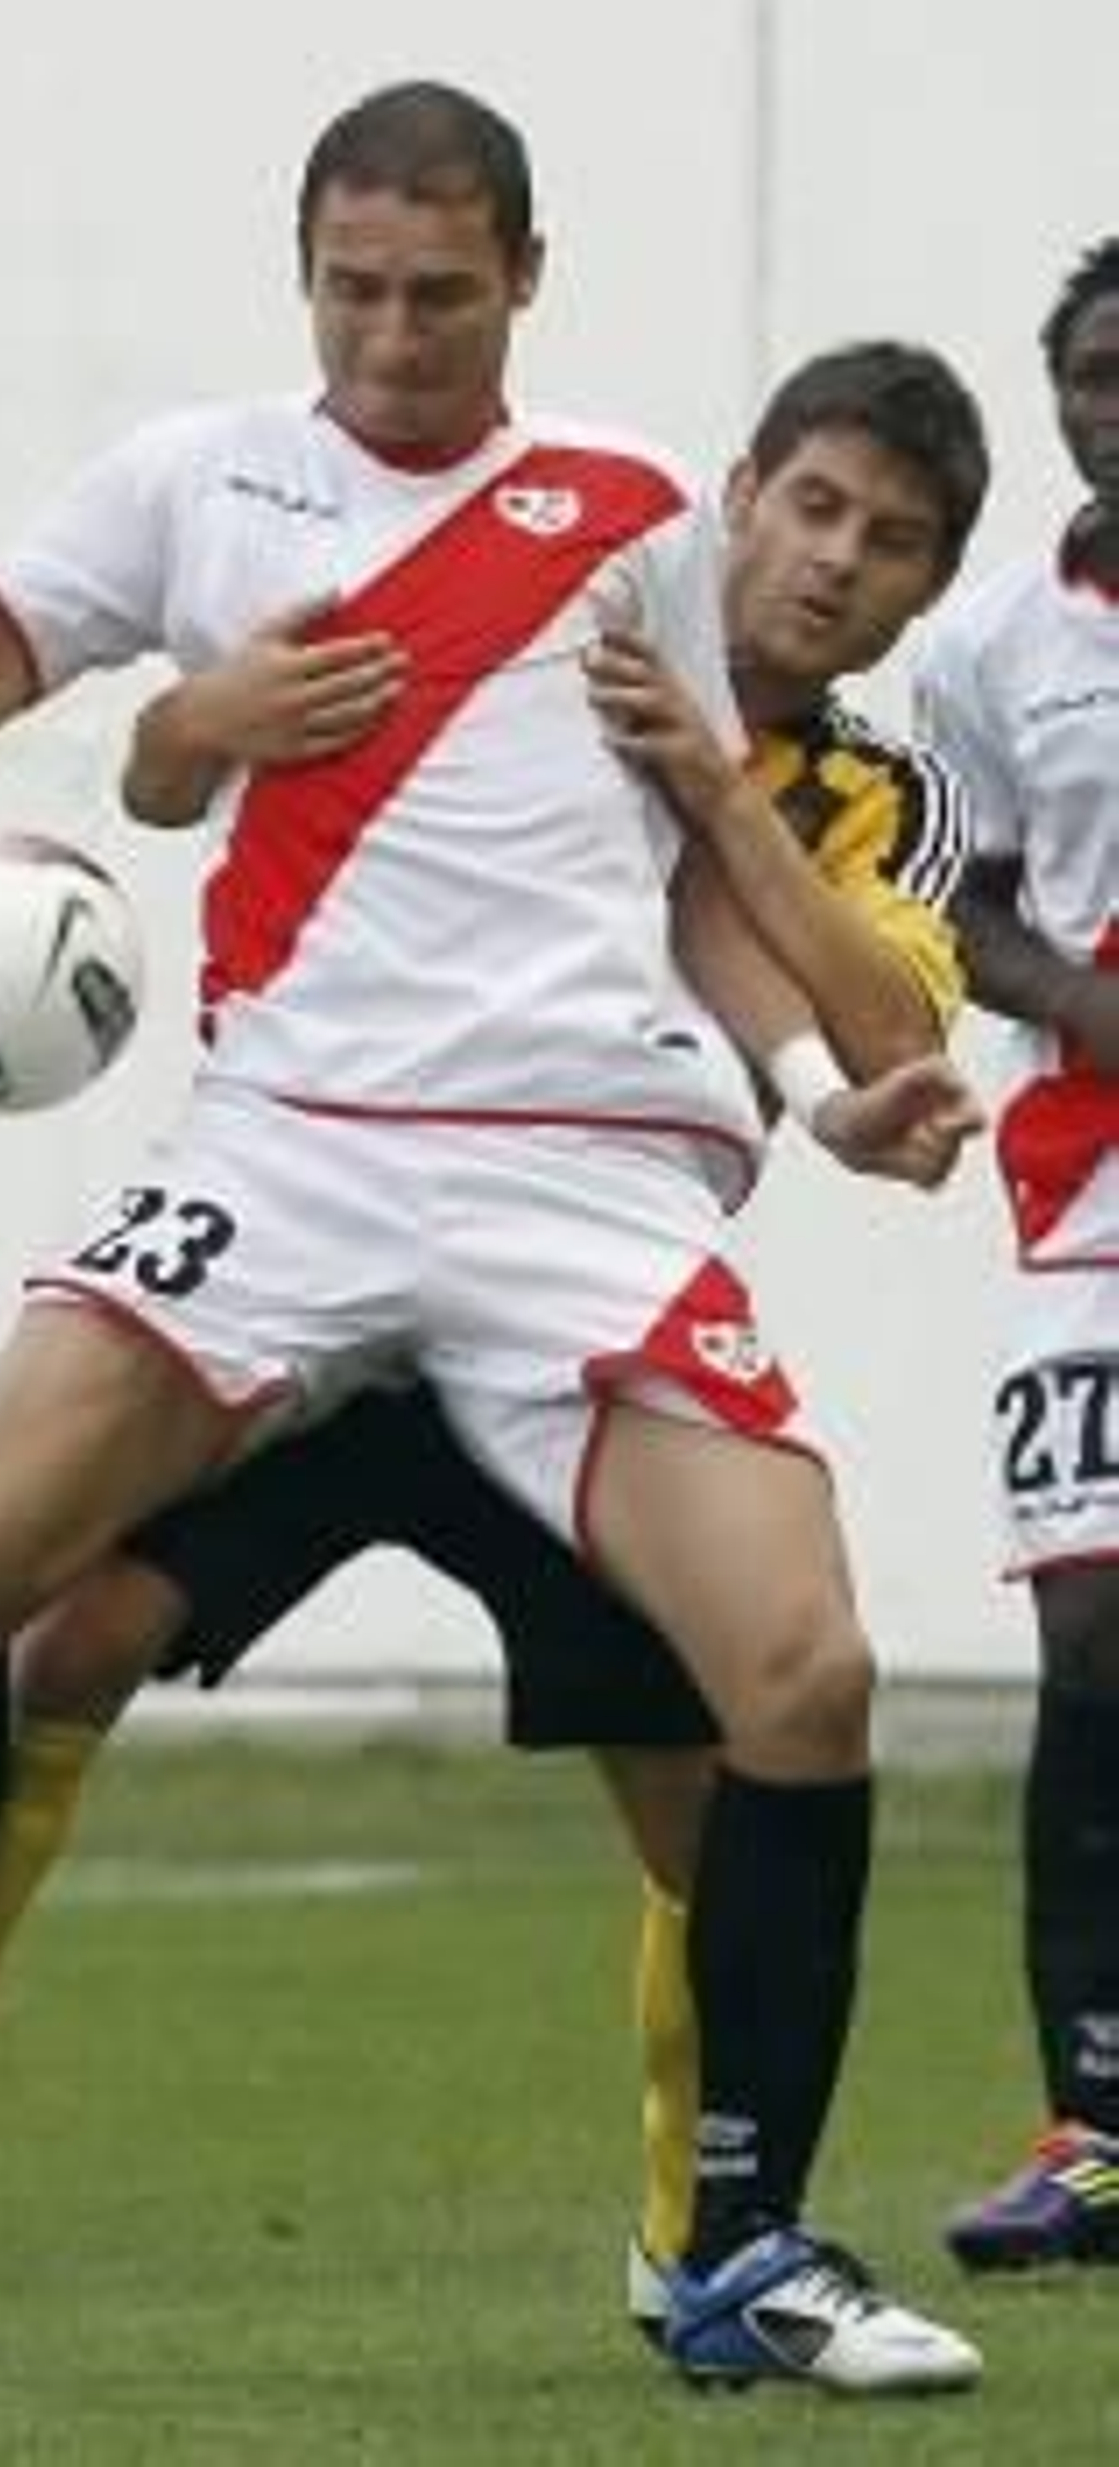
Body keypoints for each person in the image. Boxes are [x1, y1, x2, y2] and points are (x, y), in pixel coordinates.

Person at [0, 84, 979, 2393]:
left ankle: (737, 2252)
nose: (394, 333)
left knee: (801, 1687)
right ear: (303, 267)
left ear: (523, 280)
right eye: (352, 285)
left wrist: (842, 1085)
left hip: (570, 1187)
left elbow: (687, 883)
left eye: (442, 292)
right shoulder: (197, 479)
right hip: (293, 1155)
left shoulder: (633, 517)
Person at [920, 237, 1119, 2274]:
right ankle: (1099, 2124)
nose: (1114, 402)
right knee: (1089, 1641)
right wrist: (1078, 991)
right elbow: (961, 905)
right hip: (1087, 1194)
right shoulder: (985, 647)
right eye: (1090, 369)